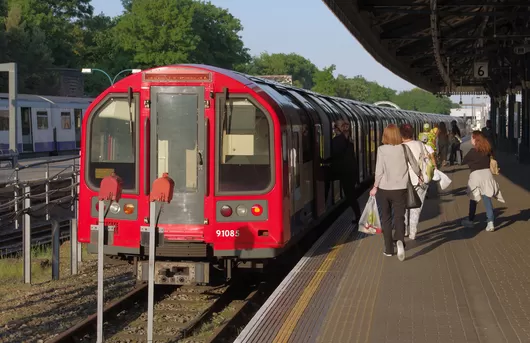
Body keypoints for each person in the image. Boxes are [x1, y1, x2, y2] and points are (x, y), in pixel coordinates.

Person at [370, 124, 421, 261]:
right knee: (399, 217)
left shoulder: (381, 150)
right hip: (401, 189)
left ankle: (388, 249)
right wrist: (420, 176)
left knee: (386, 218)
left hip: (384, 189)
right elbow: (414, 165)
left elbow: (379, 171)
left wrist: (375, 187)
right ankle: (399, 240)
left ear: (385, 135)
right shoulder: (404, 148)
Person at [461, 131, 504, 231]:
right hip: (487, 175)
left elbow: (463, 161)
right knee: (487, 199)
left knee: (473, 199)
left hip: (476, 176)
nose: (470, 139)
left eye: (472, 138)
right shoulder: (487, 150)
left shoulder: (472, 152)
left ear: (476, 140)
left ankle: (470, 220)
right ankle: (490, 222)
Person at [400, 124, 432, 240]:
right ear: (412, 133)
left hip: (404, 181)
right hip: (420, 180)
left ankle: (404, 230)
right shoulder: (420, 144)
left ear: (401, 135)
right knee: (416, 208)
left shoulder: (400, 147)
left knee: (403, 208)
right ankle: (413, 232)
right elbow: (427, 160)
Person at [331, 119, 361, 225]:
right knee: (351, 194)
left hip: (345, 172)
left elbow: (335, 156)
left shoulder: (336, 140)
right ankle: (358, 215)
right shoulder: (349, 139)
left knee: (350, 195)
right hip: (352, 171)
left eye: (334, 127)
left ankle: (358, 215)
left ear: (337, 128)